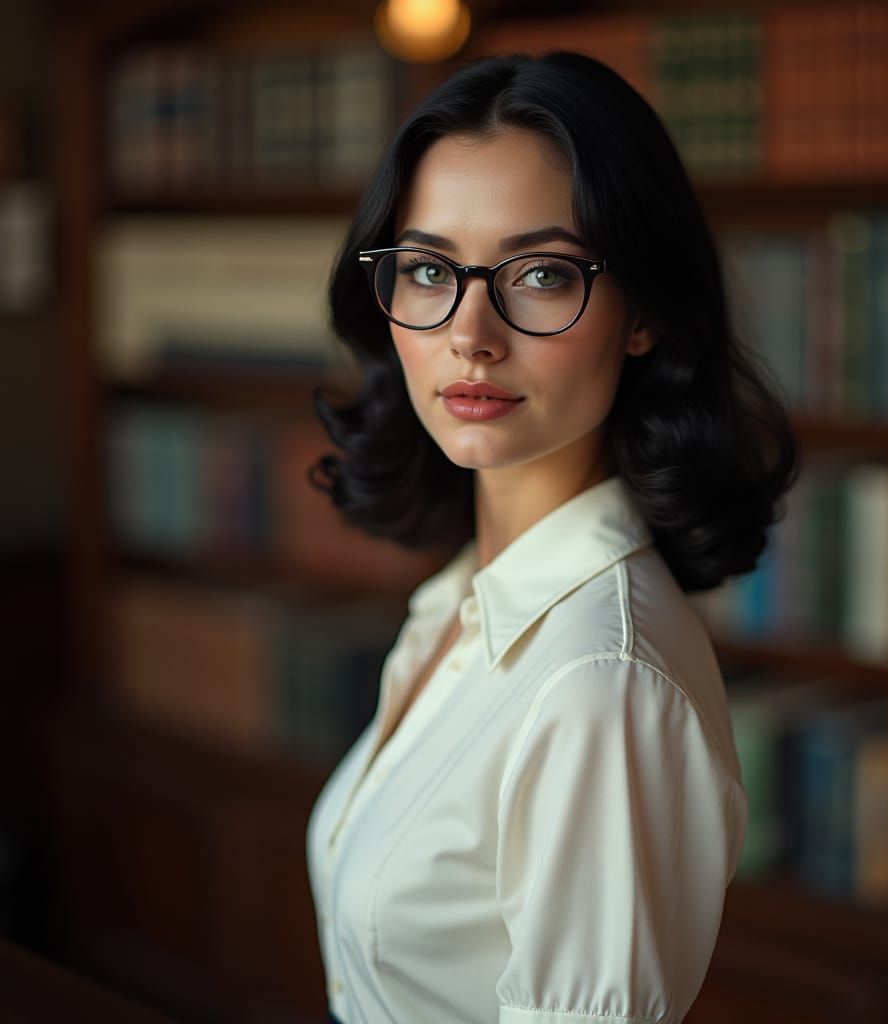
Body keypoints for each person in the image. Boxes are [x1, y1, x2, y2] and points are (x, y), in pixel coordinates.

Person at [305, 49, 799, 1024]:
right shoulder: (462, 599)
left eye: (538, 273)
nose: (471, 334)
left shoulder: (600, 679)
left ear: (643, 313)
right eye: (428, 268)